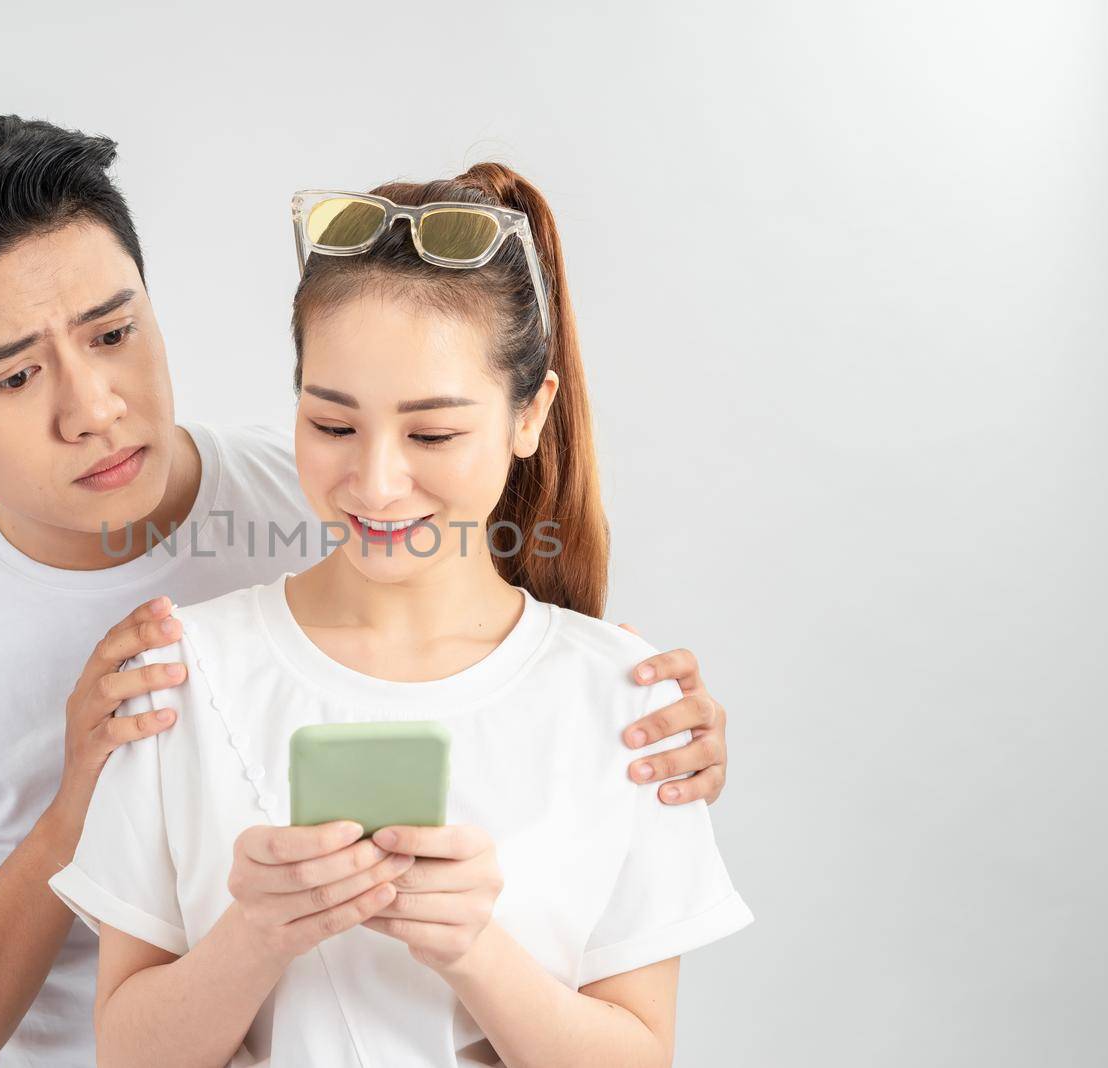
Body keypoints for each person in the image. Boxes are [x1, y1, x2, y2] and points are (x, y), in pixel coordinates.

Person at [0, 116, 733, 1067]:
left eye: (115, 332)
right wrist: (77, 807)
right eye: (14, 376)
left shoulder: (342, 494)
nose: (94, 408)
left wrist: (647, 712)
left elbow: (507, 611)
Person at [52, 165, 751, 1067]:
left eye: (432, 434)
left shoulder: (627, 702)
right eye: (334, 425)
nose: (377, 483)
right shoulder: (183, 678)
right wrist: (254, 936)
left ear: (530, 414)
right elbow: (127, 1054)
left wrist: (473, 949)